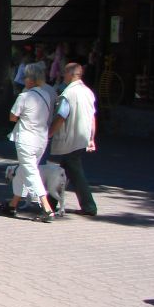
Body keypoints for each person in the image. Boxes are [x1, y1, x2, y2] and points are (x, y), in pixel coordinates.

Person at [0, 62, 56, 222]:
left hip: (26, 139)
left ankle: (46, 208)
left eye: (26, 77)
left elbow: (12, 116)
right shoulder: (46, 95)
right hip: (41, 139)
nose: (24, 79)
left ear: (31, 79)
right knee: (24, 171)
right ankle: (13, 204)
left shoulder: (24, 96)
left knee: (30, 172)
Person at [49, 62, 98, 216]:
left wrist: (49, 133)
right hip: (81, 138)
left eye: (64, 73)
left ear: (70, 74)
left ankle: (89, 206)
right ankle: (50, 202)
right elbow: (92, 117)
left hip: (69, 139)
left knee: (73, 172)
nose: (63, 75)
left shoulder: (68, 94)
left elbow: (61, 116)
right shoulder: (88, 92)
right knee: (63, 170)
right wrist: (91, 138)